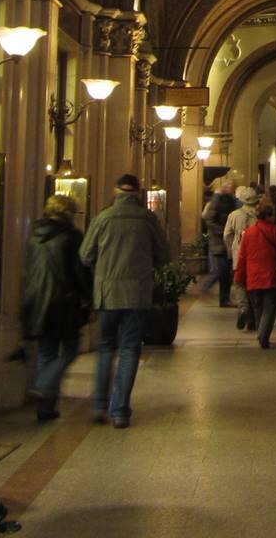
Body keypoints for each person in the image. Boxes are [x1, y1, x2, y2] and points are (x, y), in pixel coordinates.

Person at [79, 173, 170, 427]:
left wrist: (104, 266)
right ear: (138, 193)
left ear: (116, 191)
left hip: (107, 294)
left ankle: (98, 404)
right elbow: (164, 255)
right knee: (129, 349)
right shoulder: (148, 220)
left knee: (106, 347)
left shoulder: (102, 218)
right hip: (137, 294)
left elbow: (85, 255)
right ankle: (119, 410)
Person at [20, 193, 92, 422]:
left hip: (36, 301)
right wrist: (89, 298)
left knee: (46, 351)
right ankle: (44, 384)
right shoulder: (72, 237)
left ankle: (45, 407)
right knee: (71, 348)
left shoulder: (34, 236)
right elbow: (80, 272)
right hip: (63, 301)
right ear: (69, 212)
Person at [232, 200, 276, 348]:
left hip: (253, 277)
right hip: (271, 275)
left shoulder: (249, 233)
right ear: (269, 215)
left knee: (258, 307)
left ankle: (261, 333)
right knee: (270, 307)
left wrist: (238, 276)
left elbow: (242, 256)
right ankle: (263, 335)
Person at [199, 178, 240, 307]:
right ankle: (204, 287)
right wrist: (222, 231)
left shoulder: (228, 200)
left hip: (225, 241)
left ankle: (224, 299)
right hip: (219, 242)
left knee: (225, 272)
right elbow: (209, 219)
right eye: (231, 188)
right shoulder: (218, 199)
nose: (232, 191)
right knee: (221, 271)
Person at [224, 184, 260, 330]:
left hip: (238, 255)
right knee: (252, 286)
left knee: (239, 283)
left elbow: (227, 235)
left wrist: (232, 249)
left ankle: (243, 308)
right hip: (255, 256)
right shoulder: (259, 216)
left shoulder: (233, 215)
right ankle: (252, 320)